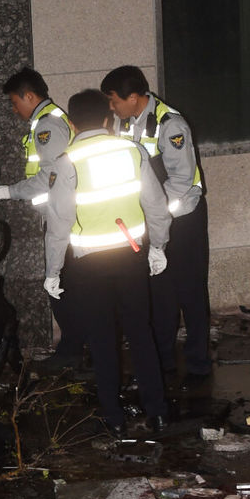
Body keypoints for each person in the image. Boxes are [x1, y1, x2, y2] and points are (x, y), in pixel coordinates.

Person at [44, 89, 170, 436]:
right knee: (141, 332)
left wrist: (53, 271)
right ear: (107, 119)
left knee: (101, 338)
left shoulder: (66, 162)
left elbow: (58, 225)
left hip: (89, 264)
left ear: (70, 123)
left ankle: (113, 417)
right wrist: (158, 246)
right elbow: (157, 205)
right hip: (131, 255)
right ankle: (157, 411)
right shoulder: (133, 151)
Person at [100, 66, 211, 389]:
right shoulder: (122, 123)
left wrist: (158, 217)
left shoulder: (170, 124)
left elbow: (181, 181)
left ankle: (199, 363)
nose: (111, 107)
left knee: (189, 291)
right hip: (151, 219)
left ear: (134, 97)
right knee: (159, 292)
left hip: (182, 218)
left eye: (114, 100)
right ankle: (163, 362)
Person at [0, 66, 84, 372]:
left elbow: (49, 177)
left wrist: (7, 192)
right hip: (59, 214)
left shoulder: (48, 126)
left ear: (29, 96)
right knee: (66, 287)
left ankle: (74, 352)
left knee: (60, 287)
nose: (13, 108)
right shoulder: (48, 121)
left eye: (14, 101)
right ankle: (78, 349)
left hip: (63, 218)